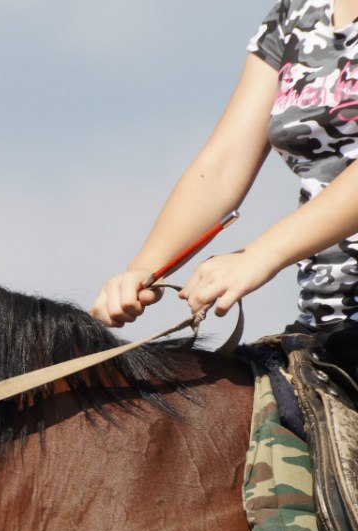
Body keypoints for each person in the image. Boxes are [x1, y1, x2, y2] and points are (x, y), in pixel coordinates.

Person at [90, 0, 358, 360]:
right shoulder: (295, 14)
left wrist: (261, 255)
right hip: (327, 324)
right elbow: (223, 163)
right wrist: (144, 269)